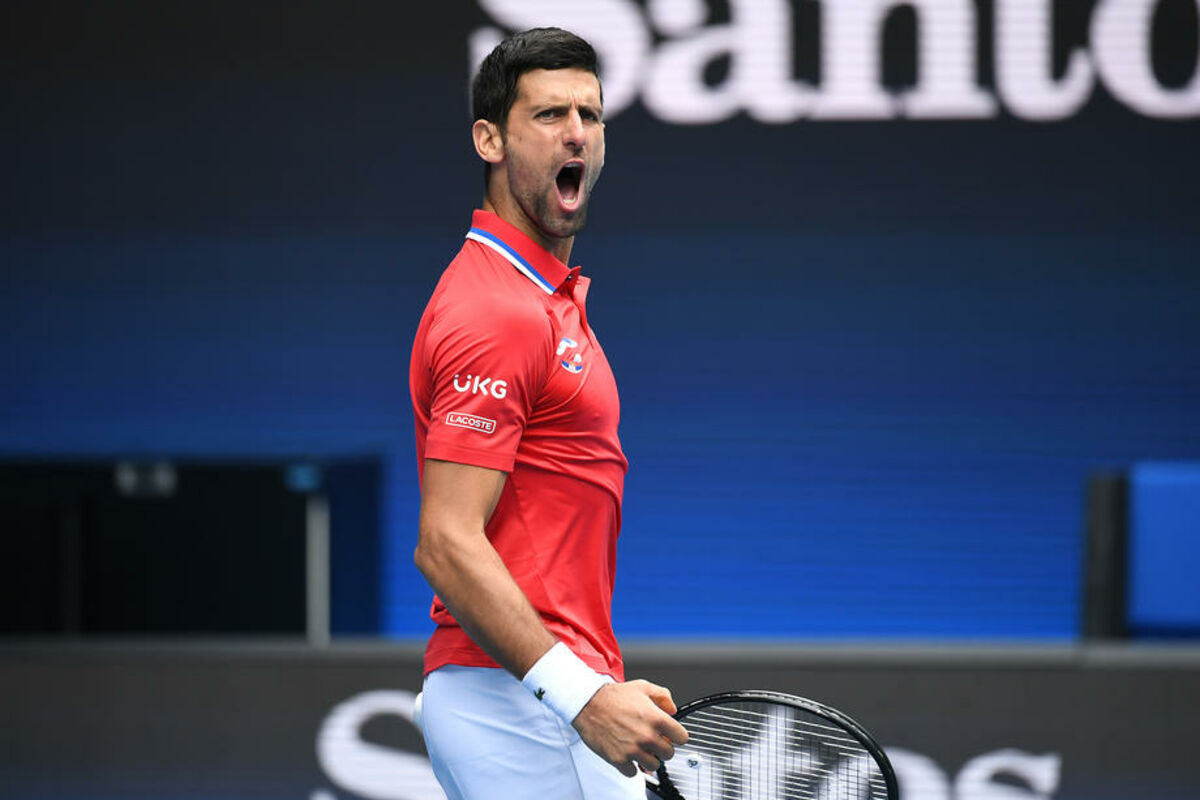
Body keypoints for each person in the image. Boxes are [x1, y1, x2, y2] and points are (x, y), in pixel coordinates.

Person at [409, 26, 689, 800]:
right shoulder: (495, 310)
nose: (576, 133)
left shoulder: (543, 301)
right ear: (489, 140)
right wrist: (584, 696)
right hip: (518, 701)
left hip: (537, 692)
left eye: (590, 115)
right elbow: (445, 541)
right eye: (549, 114)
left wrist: (595, 682)